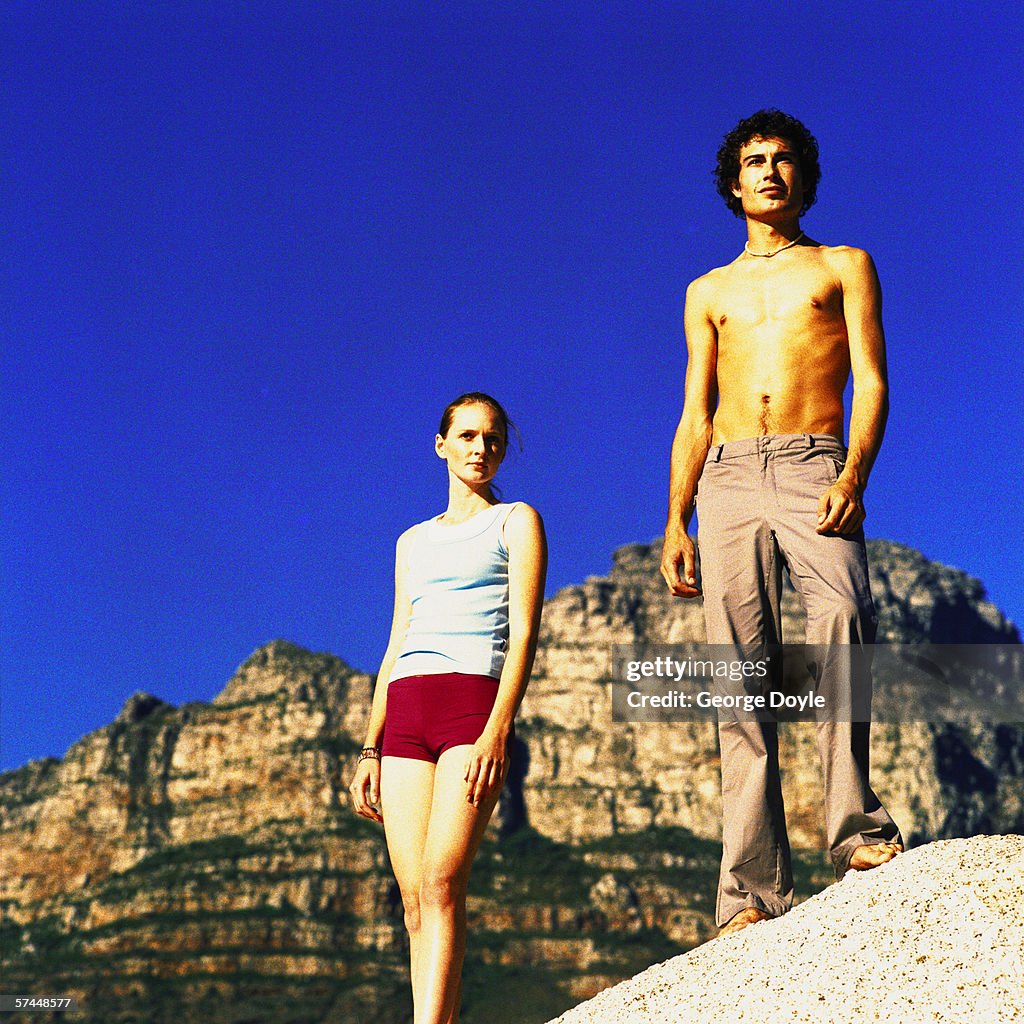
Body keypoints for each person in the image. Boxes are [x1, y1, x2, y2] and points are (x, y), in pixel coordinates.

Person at [660, 110, 903, 937]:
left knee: (843, 618)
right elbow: (694, 412)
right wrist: (675, 519)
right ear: (734, 184)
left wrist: (853, 471)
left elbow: (870, 379)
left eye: (784, 159)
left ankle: (856, 833)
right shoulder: (707, 291)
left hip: (812, 465)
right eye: (754, 162)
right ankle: (750, 893)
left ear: (804, 176)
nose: (770, 172)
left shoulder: (844, 265)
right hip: (726, 478)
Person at [349, 392, 547, 1023]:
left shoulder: (517, 521)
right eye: (466, 437)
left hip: (472, 710)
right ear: (441, 445)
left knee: (442, 882)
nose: (480, 449)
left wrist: (498, 731)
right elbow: (396, 641)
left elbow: (523, 635)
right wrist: (369, 747)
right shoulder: (411, 541)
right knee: (412, 899)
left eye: (491, 438)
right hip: (405, 709)